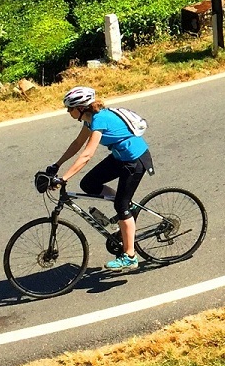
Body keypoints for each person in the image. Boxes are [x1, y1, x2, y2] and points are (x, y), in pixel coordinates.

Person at [43, 86, 154, 272]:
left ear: (81, 108)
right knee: (89, 184)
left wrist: (64, 178)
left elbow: (87, 154)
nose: (68, 112)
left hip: (135, 161)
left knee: (121, 206)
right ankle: (129, 207)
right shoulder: (89, 120)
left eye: (70, 108)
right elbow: (77, 144)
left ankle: (130, 256)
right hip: (121, 157)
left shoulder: (99, 119)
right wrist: (57, 164)